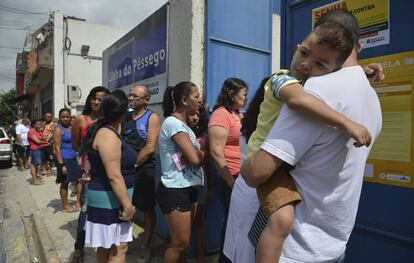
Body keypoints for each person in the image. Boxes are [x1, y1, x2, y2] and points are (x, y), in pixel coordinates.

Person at [242, 9, 382, 263]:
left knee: (280, 220)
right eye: (304, 53)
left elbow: (255, 173)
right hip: (333, 244)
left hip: (295, 248)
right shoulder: (370, 97)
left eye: (320, 64)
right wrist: (346, 121)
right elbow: (298, 99)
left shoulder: (318, 86)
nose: (307, 65)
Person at [84, 90, 136, 262]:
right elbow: (114, 175)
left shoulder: (109, 131)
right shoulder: (107, 135)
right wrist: (128, 206)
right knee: (119, 246)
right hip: (110, 198)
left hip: (110, 197)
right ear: (122, 113)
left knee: (106, 245)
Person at [157, 81, 204, 263]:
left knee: (184, 242)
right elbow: (195, 159)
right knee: (179, 242)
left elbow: (194, 155)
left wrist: (197, 153)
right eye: (196, 96)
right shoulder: (173, 123)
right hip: (175, 189)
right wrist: (200, 152)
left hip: (187, 187)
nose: (199, 100)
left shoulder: (184, 127)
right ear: (184, 100)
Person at [208, 78, 248, 263]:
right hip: (229, 176)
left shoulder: (238, 114)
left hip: (242, 175)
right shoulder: (220, 114)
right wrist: (231, 182)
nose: (246, 98)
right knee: (232, 223)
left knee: (239, 222)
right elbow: (216, 152)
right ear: (232, 94)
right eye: (244, 95)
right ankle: (225, 259)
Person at [121, 84, 160, 261]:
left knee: (147, 208)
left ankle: (145, 245)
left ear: (146, 99)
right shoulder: (125, 117)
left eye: (135, 96)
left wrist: (134, 164)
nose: (131, 98)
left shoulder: (152, 118)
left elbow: (150, 147)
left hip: (143, 169)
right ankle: (125, 243)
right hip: (126, 169)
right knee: (125, 207)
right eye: (130, 95)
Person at [71, 86, 109, 263]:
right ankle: (79, 247)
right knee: (85, 209)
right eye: (94, 98)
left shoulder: (110, 119)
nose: (96, 101)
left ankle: (106, 244)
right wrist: (85, 164)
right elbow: (75, 145)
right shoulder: (81, 120)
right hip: (88, 169)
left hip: (108, 168)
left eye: (101, 99)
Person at [188, 104, 212, 263]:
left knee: (199, 219)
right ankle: (184, 254)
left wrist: (210, 186)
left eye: (198, 114)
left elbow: (208, 162)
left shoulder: (205, 135)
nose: (196, 117)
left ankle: (201, 256)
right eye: (192, 114)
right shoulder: (180, 133)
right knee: (186, 220)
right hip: (184, 181)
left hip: (201, 181)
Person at [53, 108, 82, 213]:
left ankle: (78, 202)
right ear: (60, 118)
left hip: (74, 158)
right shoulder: (58, 129)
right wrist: (62, 165)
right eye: (63, 117)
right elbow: (57, 148)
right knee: (65, 182)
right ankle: (65, 206)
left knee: (79, 180)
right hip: (64, 159)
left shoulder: (72, 127)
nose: (65, 118)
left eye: (67, 116)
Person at [28, 120, 48, 185]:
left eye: (40, 124)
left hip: (40, 149)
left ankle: (36, 178)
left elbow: (45, 139)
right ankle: (34, 180)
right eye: (38, 124)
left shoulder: (39, 131)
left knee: (37, 165)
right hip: (35, 150)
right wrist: (46, 143)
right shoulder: (31, 132)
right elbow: (37, 142)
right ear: (34, 125)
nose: (40, 125)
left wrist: (42, 131)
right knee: (34, 165)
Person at [41, 112, 55, 176]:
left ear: (51, 117)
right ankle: (44, 169)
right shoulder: (43, 124)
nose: (47, 118)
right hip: (43, 143)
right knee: (44, 158)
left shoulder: (53, 125)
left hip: (49, 144)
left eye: (49, 117)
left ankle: (50, 169)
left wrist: (51, 142)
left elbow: (54, 134)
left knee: (51, 158)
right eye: (46, 116)